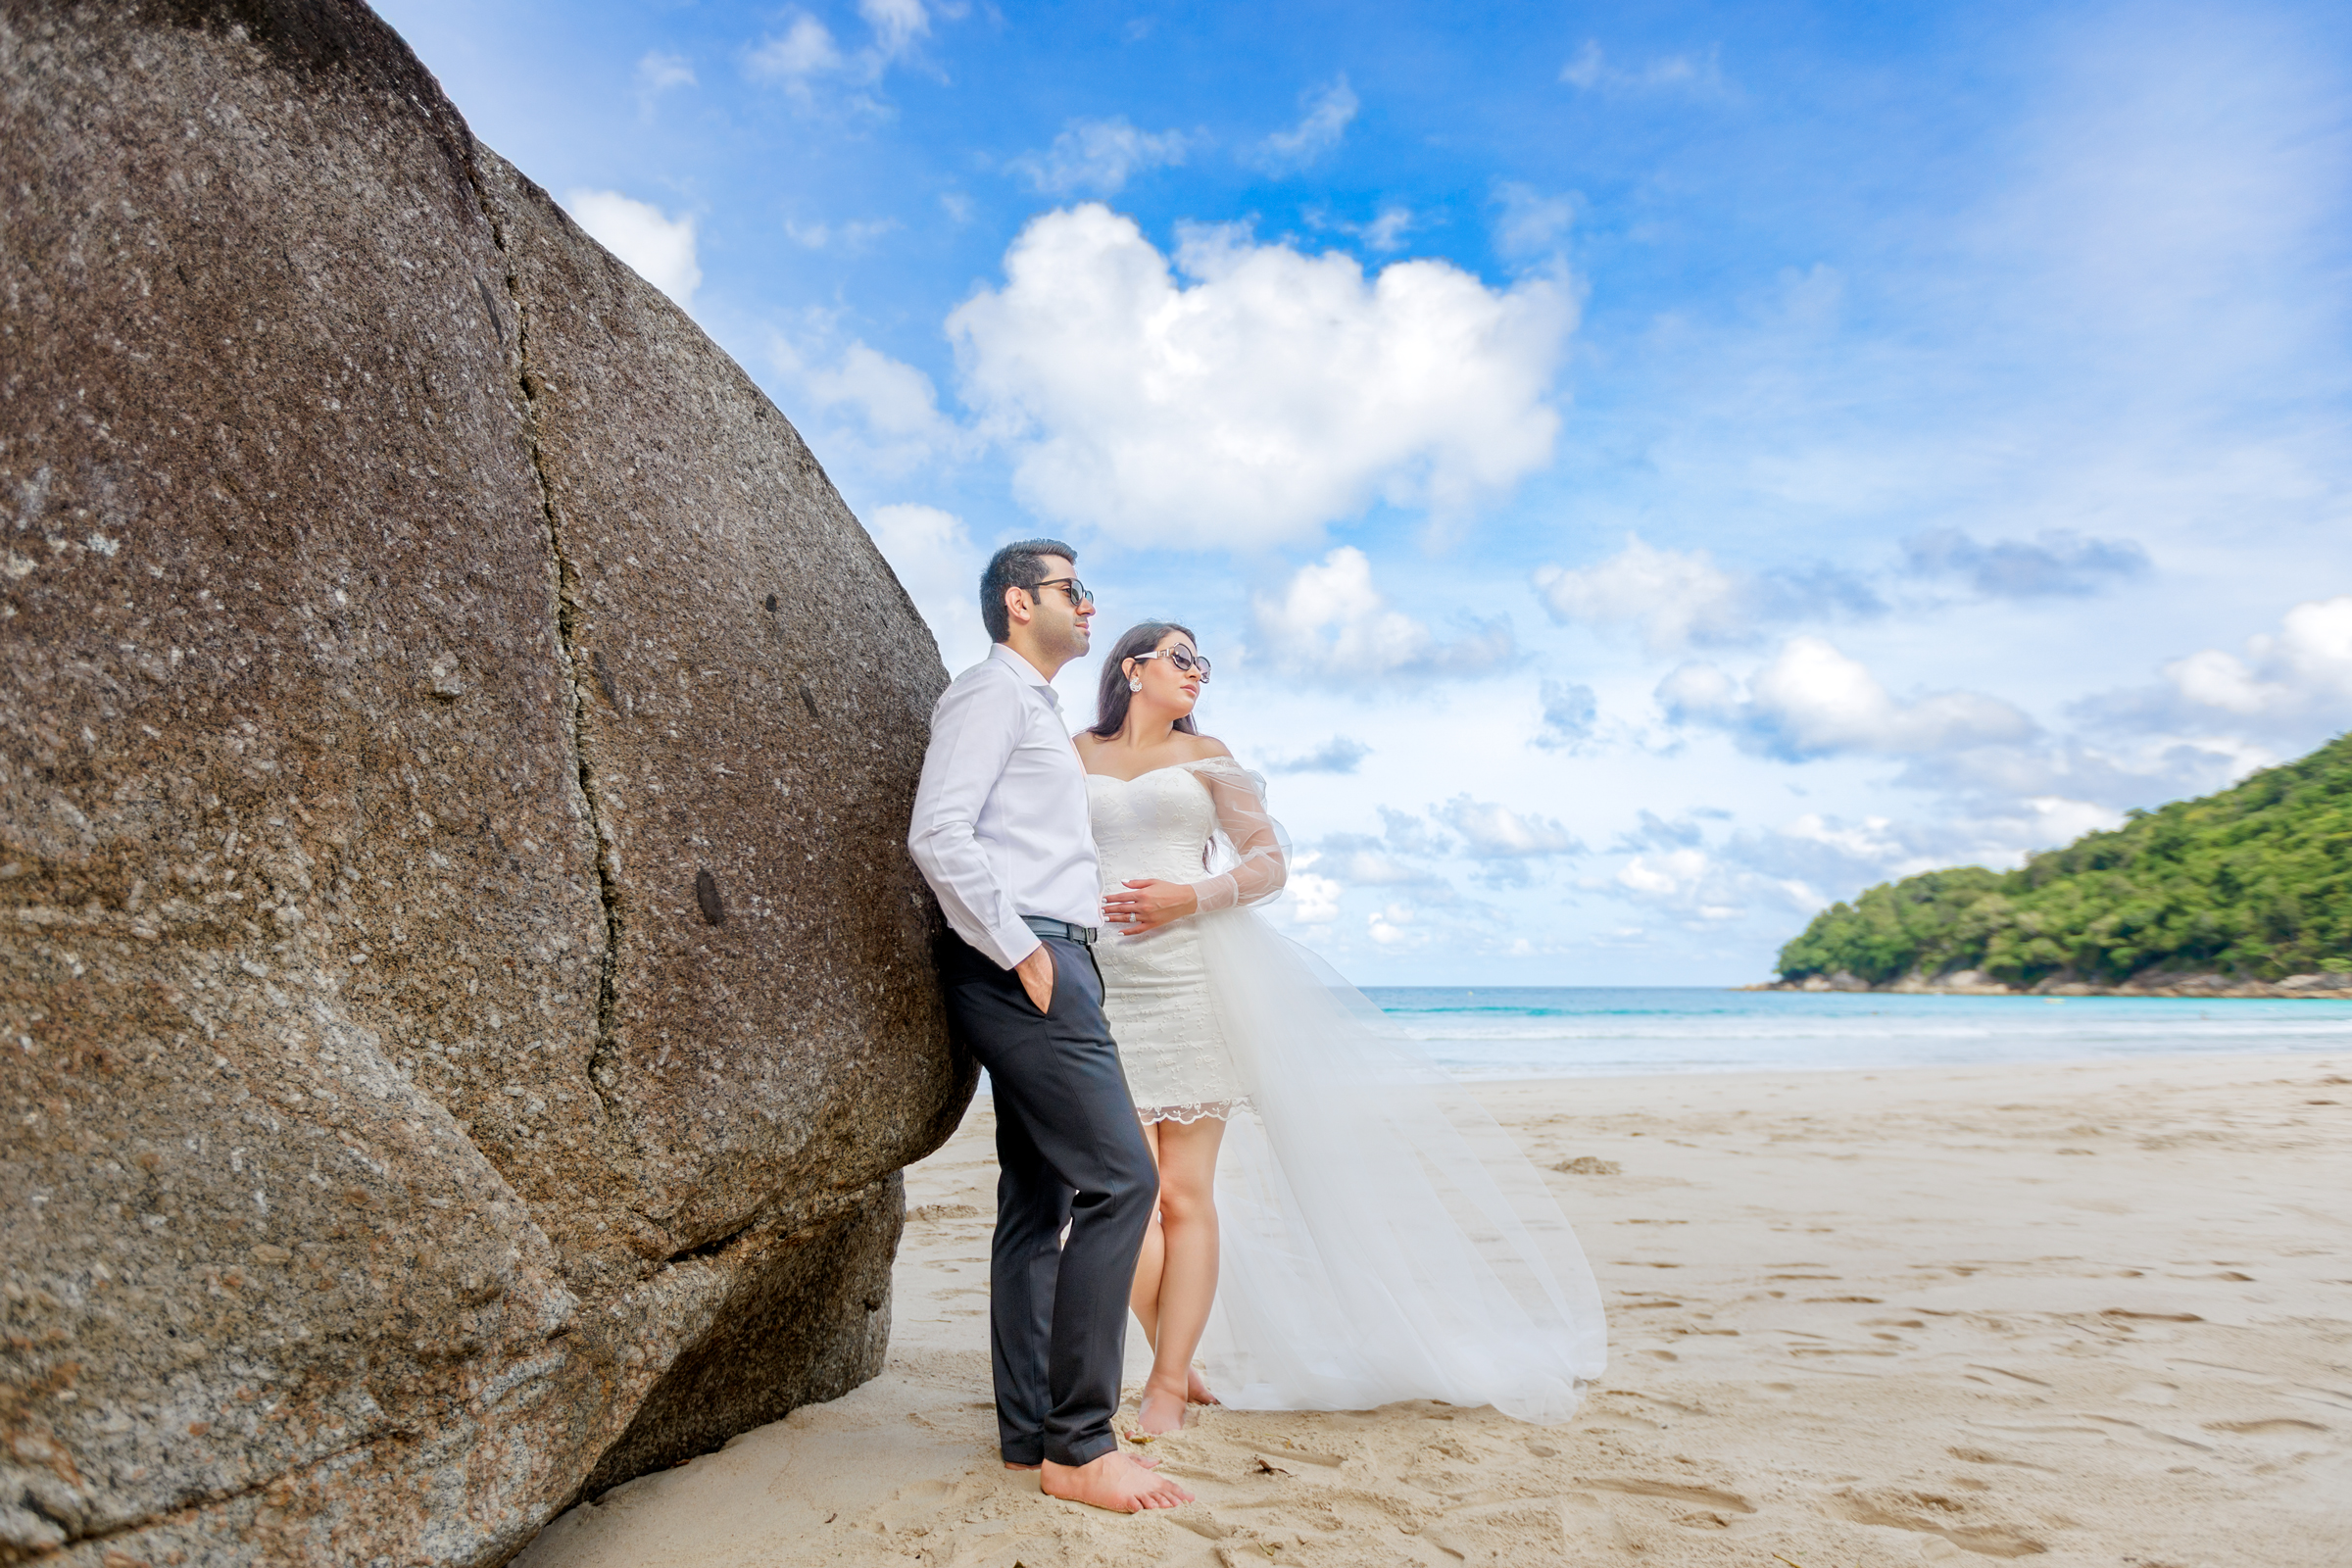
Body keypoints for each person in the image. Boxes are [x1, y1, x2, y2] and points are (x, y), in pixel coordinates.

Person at [1078, 622, 1609, 1432]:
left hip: (1192, 981)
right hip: (1102, 982)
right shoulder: (1073, 752)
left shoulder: (1207, 752)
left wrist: (1188, 896)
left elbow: (1267, 862)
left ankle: (1167, 1379)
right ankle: (1180, 1359)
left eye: (1204, 664)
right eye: (1182, 658)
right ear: (1133, 666)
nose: (1198, 674)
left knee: (1184, 1197)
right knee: (1122, 1195)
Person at [906, 544, 1192, 1513]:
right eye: (1075, 588)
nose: (1090, 602)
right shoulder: (989, 694)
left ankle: (1032, 1432)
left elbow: (1012, 842)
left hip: (1054, 953)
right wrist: (1027, 950)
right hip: (1021, 965)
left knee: (1039, 1198)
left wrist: (1081, 917)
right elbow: (937, 830)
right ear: (1021, 602)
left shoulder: (1036, 710)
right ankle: (1079, 1441)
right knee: (1124, 1177)